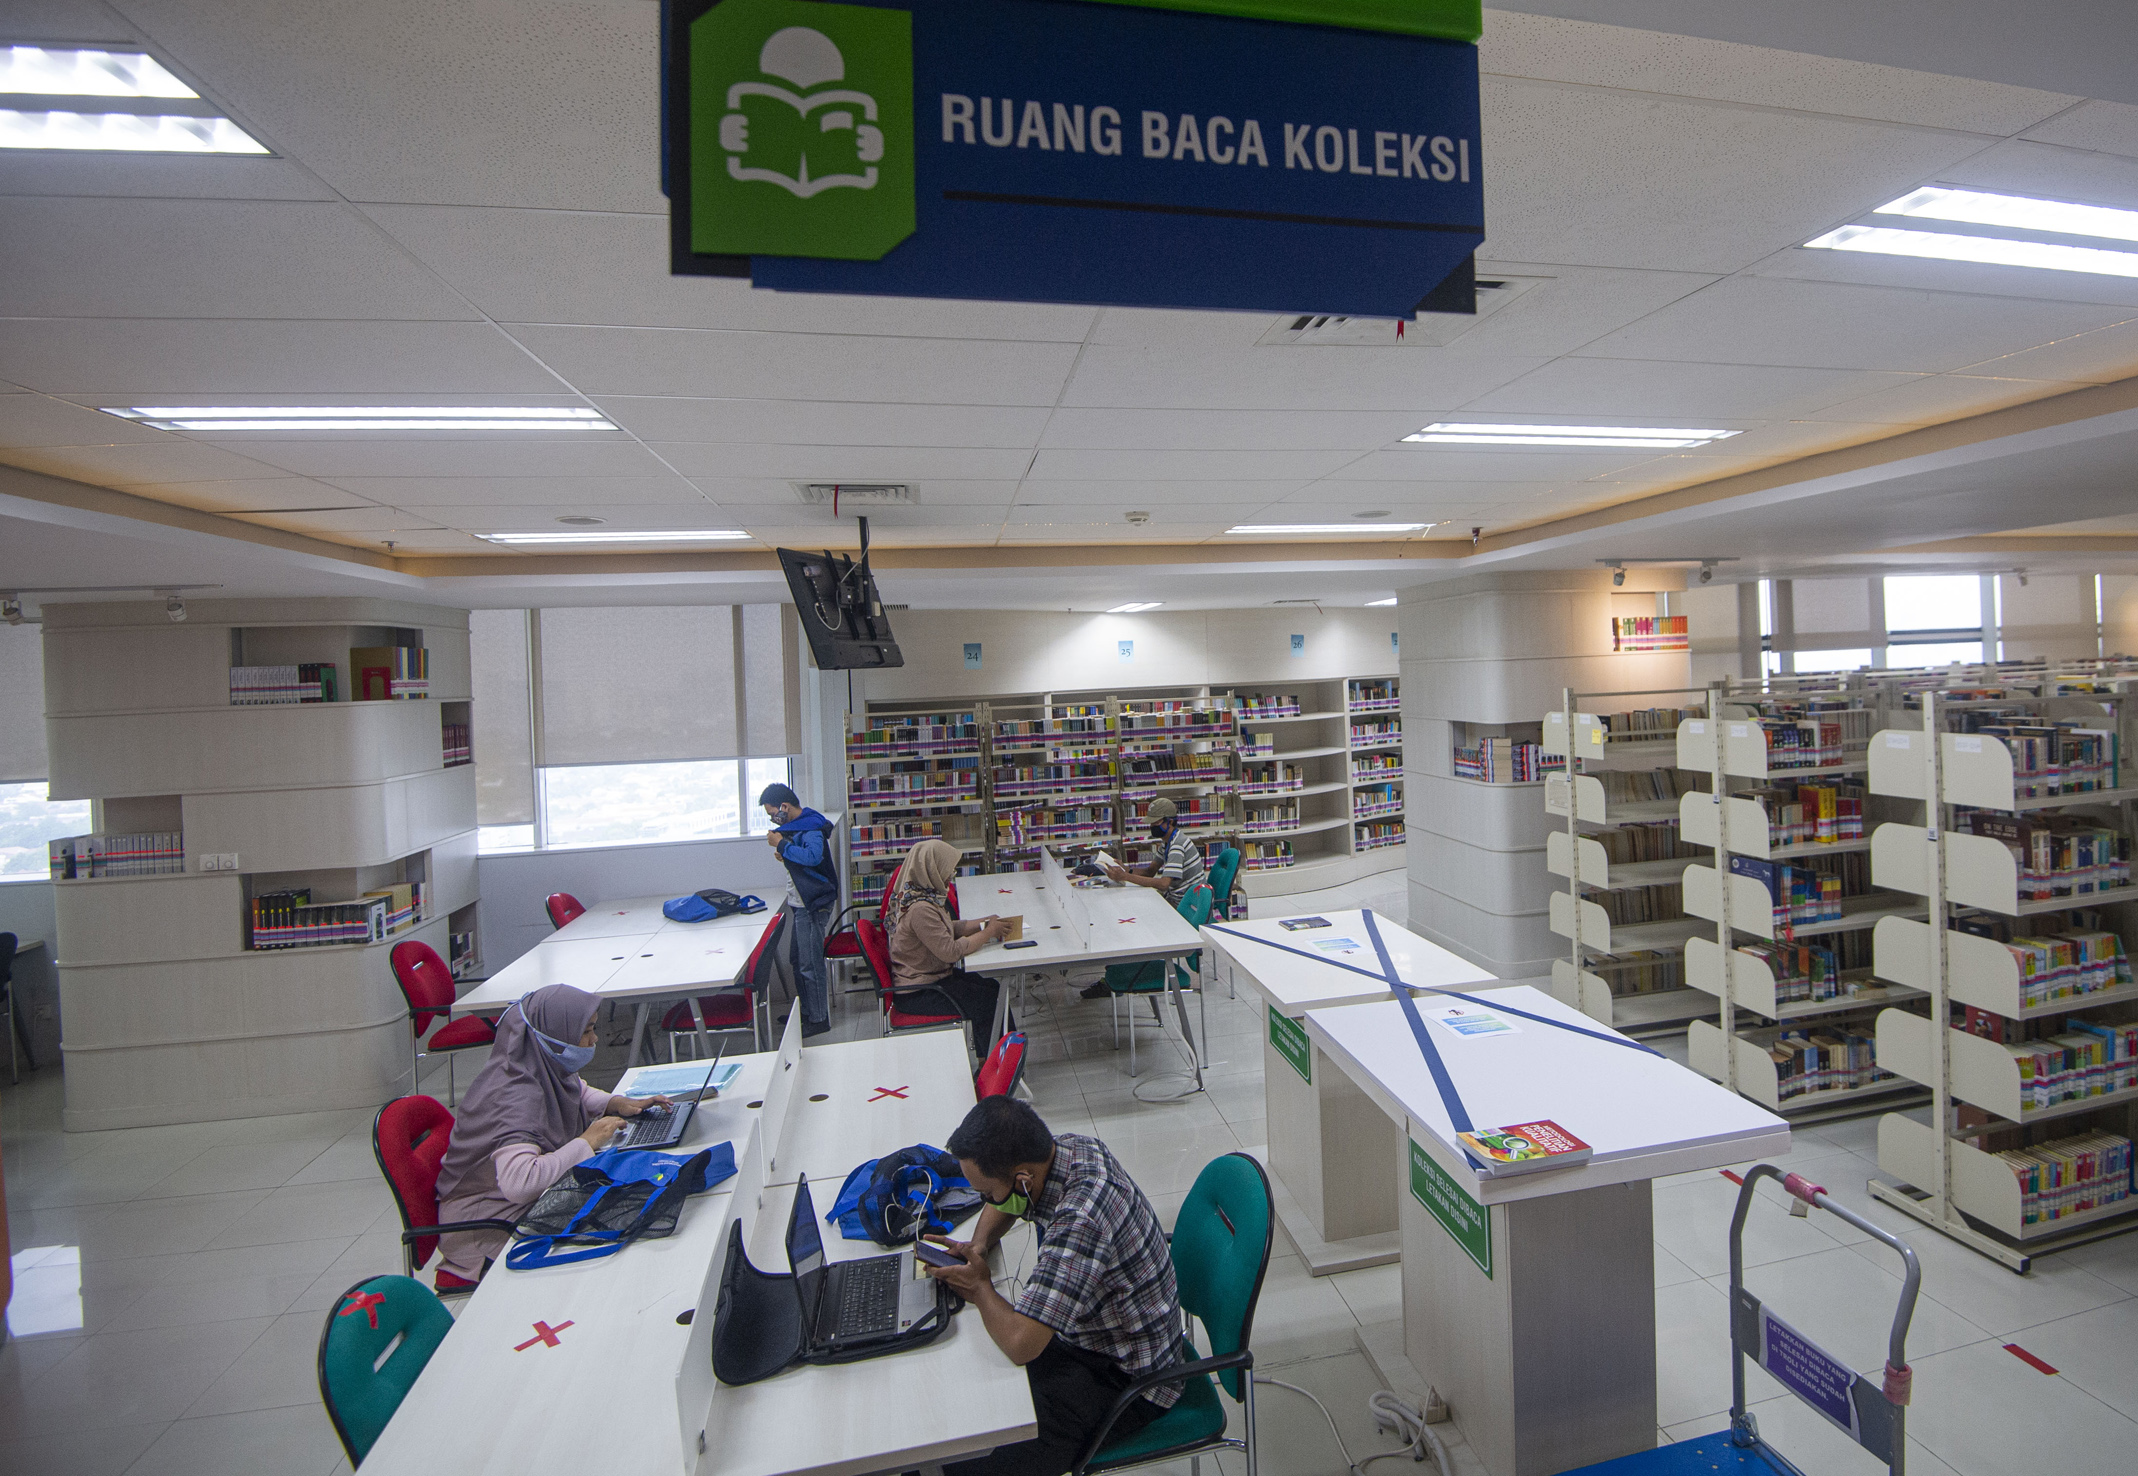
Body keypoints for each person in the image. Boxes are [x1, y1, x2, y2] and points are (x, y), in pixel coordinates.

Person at [924, 1096, 1183, 1476]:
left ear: (1023, 1180)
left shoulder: (1081, 1217)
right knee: (968, 1402)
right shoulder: (1068, 1150)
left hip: (1127, 1379)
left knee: (973, 1460)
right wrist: (978, 1246)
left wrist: (980, 1287)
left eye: (986, 1193)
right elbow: (1005, 1201)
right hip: (1095, 1337)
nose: (985, 1203)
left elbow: (1021, 1344)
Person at [431, 983, 670, 1289]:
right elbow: (521, 1183)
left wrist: (615, 1102)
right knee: (629, 1220)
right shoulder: (515, 1096)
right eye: (587, 1031)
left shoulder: (531, 1061)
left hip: (507, 1203)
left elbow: (576, 1089)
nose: (594, 1039)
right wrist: (587, 1140)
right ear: (552, 1036)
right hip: (483, 1225)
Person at [882, 836, 1013, 1053]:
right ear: (932, 869)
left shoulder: (919, 896)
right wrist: (988, 932)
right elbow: (950, 952)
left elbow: (946, 928)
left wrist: (981, 924)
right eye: (947, 871)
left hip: (930, 977)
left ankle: (999, 1057)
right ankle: (992, 1066)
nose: (950, 877)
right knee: (988, 1002)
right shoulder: (920, 909)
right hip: (919, 991)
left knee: (992, 987)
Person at [1082, 796, 1206, 997]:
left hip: (1180, 909)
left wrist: (1125, 877)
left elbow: (1164, 883)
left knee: (1131, 925)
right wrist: (1126, 868)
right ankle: (1119, 972)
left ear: (1170, 822)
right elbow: (1149, 872)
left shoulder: (1176, 846)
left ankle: (1126, 974)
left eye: (1156, 823)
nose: (1152, 828)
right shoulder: (1167, 842)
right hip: (1173, 901)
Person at [761, 782, 840, 1037]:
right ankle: (806, 1013)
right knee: (798, 961)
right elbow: (804, 860)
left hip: (812, 904)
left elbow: (813, 857)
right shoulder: (798, 826)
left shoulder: (811, 826)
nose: (774, 819)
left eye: (773, 813)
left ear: (784, 807)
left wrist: (782, 846)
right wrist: (787, 854)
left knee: (810, 964)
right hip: (800, 903)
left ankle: (819, 1019)